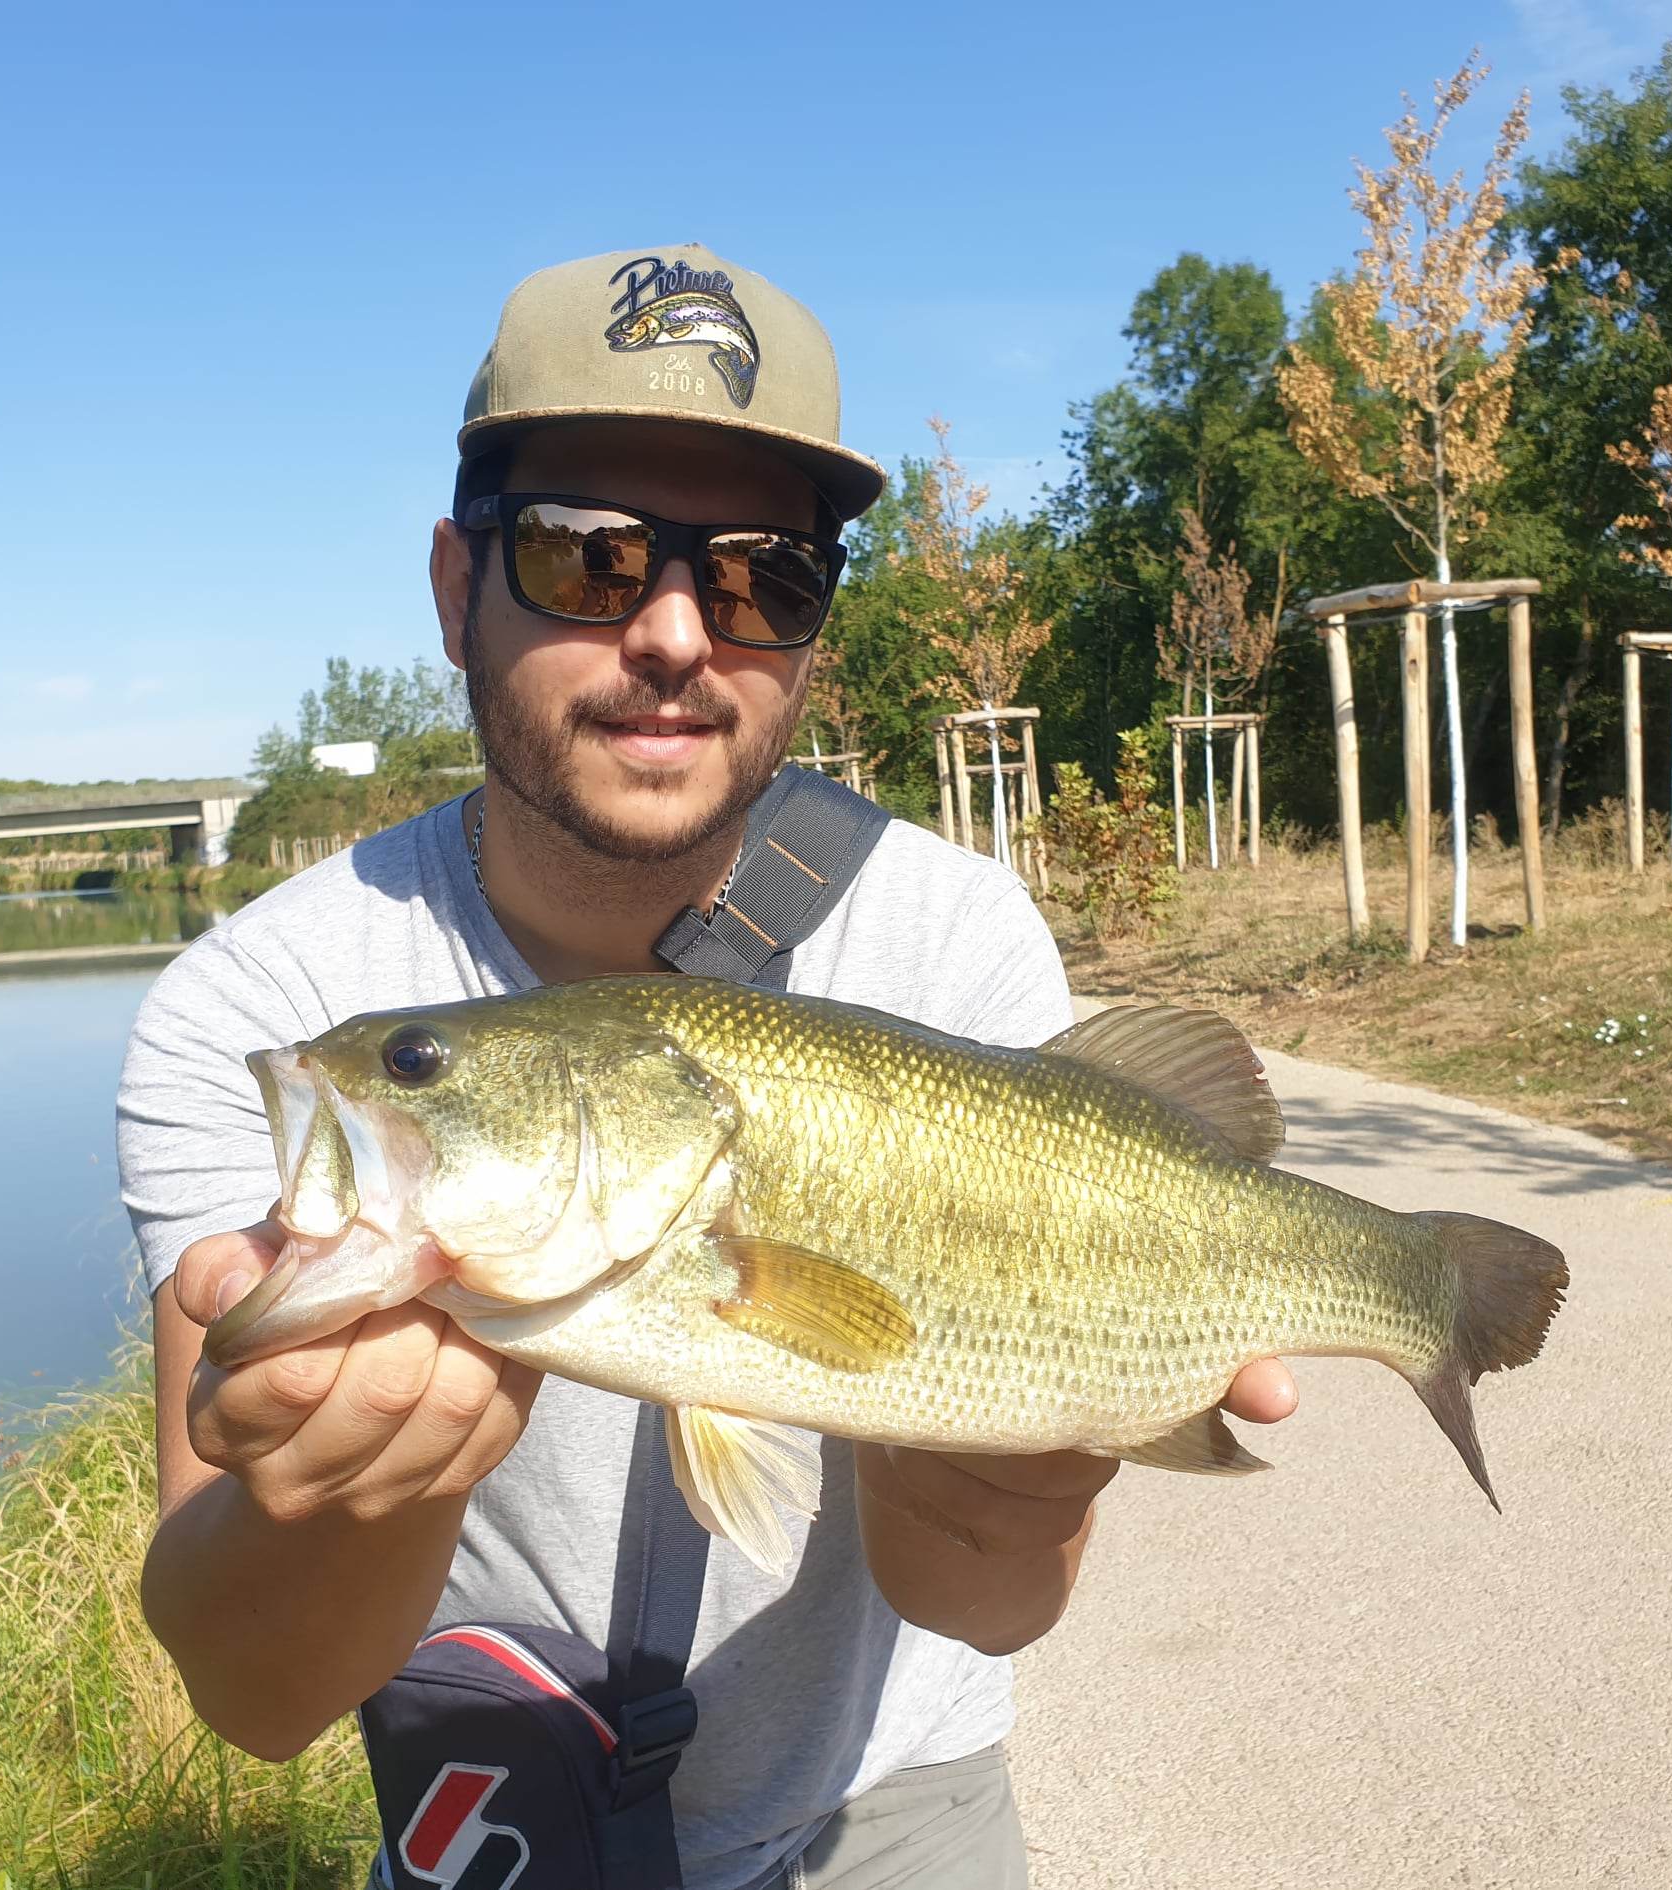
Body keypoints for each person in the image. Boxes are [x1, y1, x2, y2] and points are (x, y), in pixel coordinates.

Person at [121, 243, 1297, 1890]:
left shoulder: (955, 940)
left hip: (883, 1820)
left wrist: (1014, 1491)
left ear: (814, 634)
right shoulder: (264, 998)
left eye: (762, 578)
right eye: (586, 556)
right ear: (455, 587)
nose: (676, 631)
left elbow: (985, 1603)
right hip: (494, 1824)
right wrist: (358, 1495)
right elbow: (254, 1697)